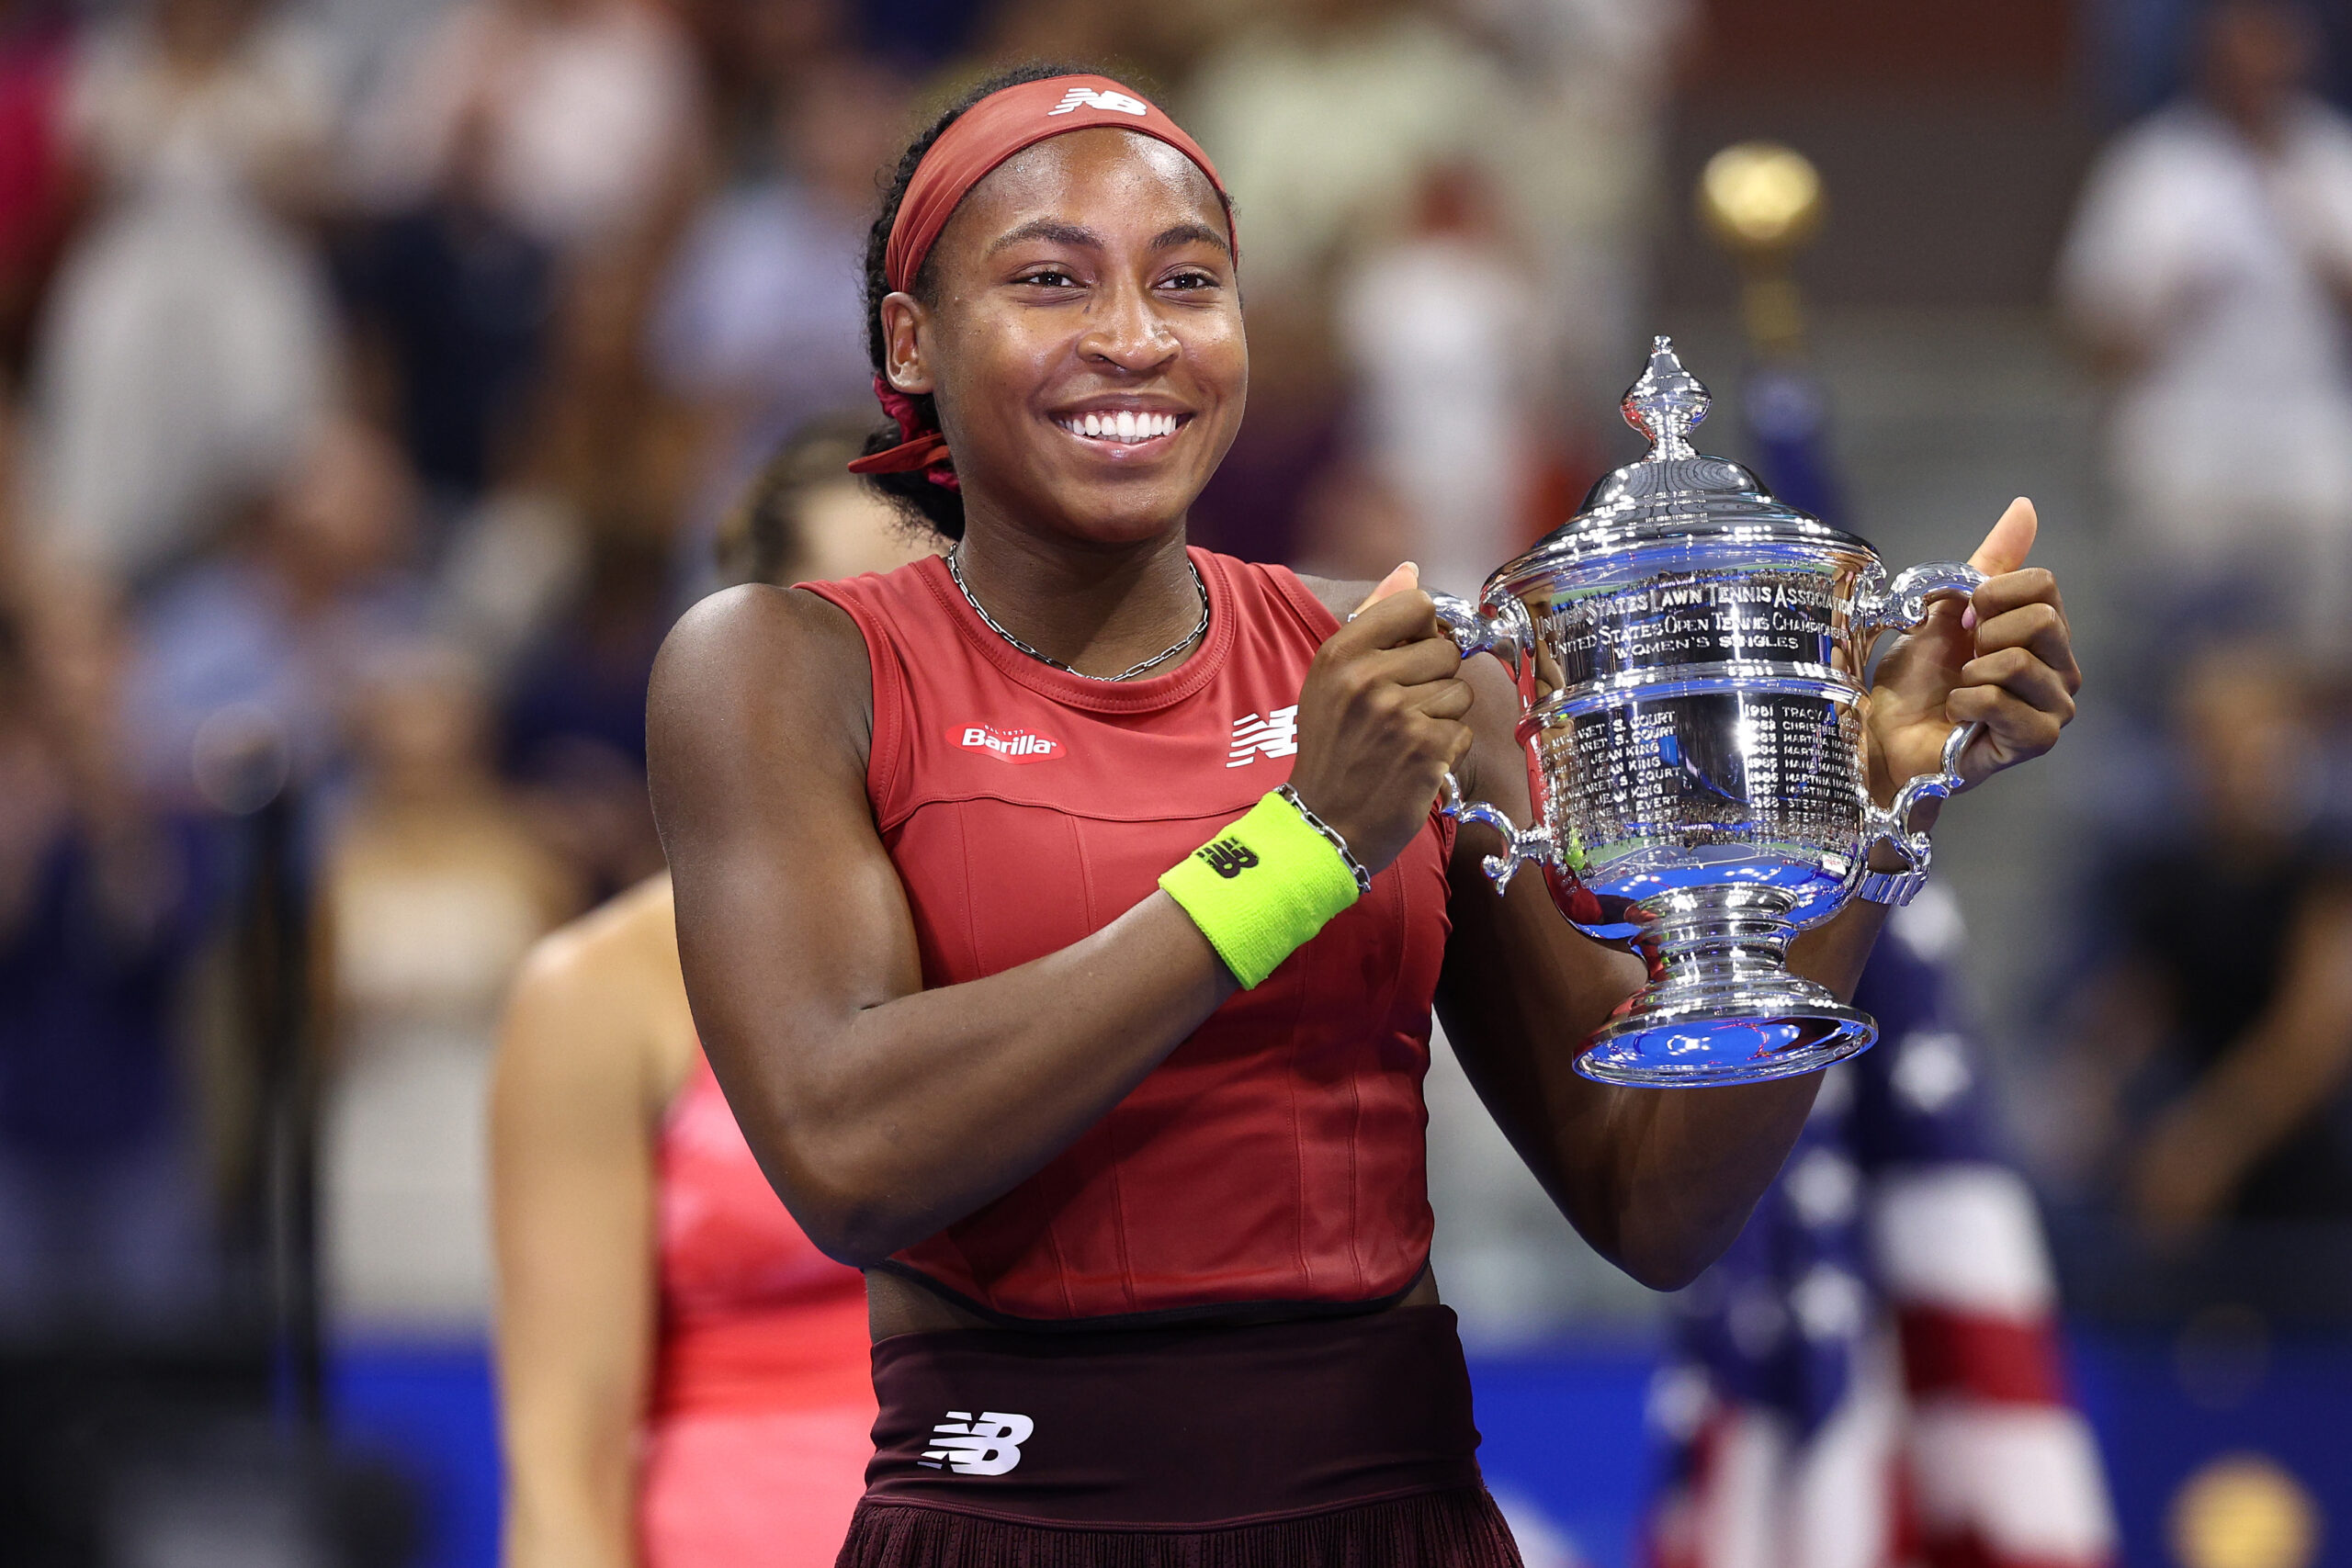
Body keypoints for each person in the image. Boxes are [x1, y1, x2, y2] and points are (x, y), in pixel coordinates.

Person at [646, 66, 2082, 1565]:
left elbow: (1650, 1196)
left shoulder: (1392, 659)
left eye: (1188, 281)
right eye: (1052, 281)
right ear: (911, 339)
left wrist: (1860, 813)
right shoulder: (779, 665)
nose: (1134, 336)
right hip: (1008, 1522)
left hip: (1399, 1523)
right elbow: (848, 1152)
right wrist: (1300, 848)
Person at [492, 421, 930, 1568]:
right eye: (844, 625)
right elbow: (560, 1482)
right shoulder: (595, 992)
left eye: (935, 622)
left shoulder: (1084, 943)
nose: (893, 672)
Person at [2057, 0, 2352, 668]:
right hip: (2186, 439)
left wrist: (2319, 249)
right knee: (2181, 629)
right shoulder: (2153, 169)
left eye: (2275, 42)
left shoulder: (2332, 158)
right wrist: (2172, 308)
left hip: (2313, 438)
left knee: (2328, 615)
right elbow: (2091, 339)